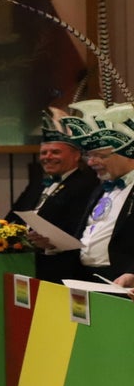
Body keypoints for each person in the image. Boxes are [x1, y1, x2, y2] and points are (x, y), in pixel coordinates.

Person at [5, 107, 97, 283]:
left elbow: (78, 228)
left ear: (76, 155)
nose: (47, 157)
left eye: (55, 152)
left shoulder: (87, 184)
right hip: (26, 263)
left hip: (62, 268)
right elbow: (13, 216)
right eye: (43, 152)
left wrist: (50, 243)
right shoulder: (37, 183)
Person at [60, 102, 134, 285]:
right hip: (85, 278)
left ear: (128, 155)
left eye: (100, 155)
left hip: (121, 281)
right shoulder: (101, 187)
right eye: (89, 155)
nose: (91, 162)